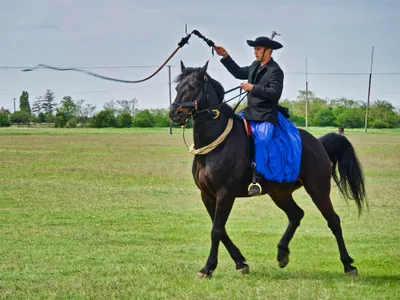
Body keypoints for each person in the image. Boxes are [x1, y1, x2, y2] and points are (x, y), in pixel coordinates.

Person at [214, 36, 301, 196]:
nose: (255, 52)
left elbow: (275, 93)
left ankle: (257, 179)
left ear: (269, 51)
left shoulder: (275, 71)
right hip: (249, 112)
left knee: (261, 140)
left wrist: (253, 87)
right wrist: (225, 56)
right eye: (254, 49)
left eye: (258, 49)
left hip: (266, 115)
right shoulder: (254, 65)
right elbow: (239, 72)